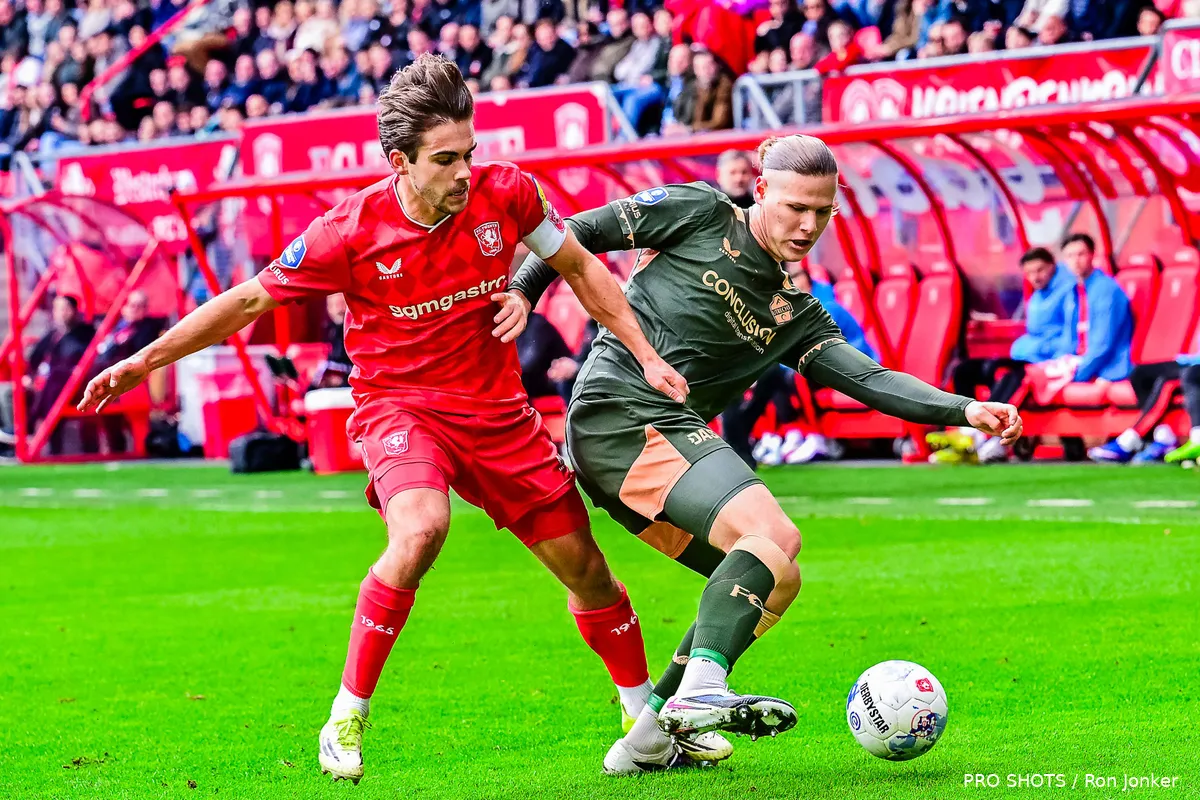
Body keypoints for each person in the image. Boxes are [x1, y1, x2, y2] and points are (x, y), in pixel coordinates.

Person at [79, 55, 705, 785]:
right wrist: (145, 360)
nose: (464, 170)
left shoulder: (506, 194)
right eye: (445, 159)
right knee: (421, 530)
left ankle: (641, 726)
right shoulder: (346, 232)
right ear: (397, 160)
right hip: (401, 407)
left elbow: (580, 267)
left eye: (469, 152)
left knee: (588, 571)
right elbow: (248, 300)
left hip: (499, 414)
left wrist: (643, 351)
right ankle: (346, 714)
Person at [509, 134, 1021, 773]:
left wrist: (962, 408)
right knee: (770, 530)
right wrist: (525, 293)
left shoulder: (797, 315)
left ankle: (645, 742)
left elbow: (869, 379)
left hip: (657, 444)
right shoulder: (699, 210)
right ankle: (700, 694)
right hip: (619, 412)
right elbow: (575, 230)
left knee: (776, 567)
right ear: (759, 193)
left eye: (823, 212)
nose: (808, 225)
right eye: (794, 207)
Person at [949, 247, 1072, 462]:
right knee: (964, 370)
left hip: (1046, 363)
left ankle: (987, 434)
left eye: (1040, 270)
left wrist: (1036, 350)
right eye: (1030, 272)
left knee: (1006, 373)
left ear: (1052, 267)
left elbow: (1068, 341)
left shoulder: (1068, 292)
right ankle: (967, 429)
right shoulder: (1037, 296)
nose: (1035, 276)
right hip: (1025, 357)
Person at [516, 311, 572, 400]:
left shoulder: (537, 323)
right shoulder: (518, 324)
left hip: (556, 381)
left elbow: (529, 363)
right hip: (534, 380)